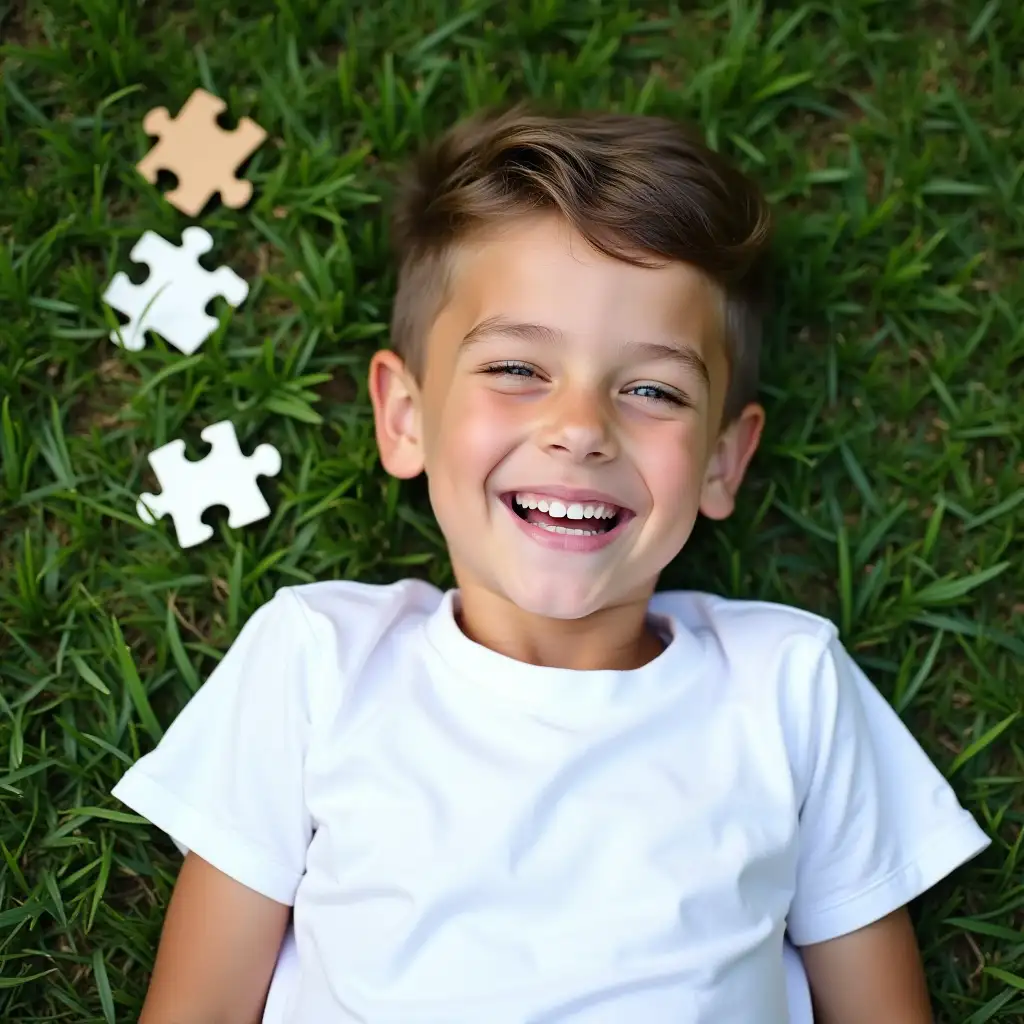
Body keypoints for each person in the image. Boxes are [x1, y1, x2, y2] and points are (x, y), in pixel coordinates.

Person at [112, 102, 990, 1024]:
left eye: (652, 389)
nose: (579, 429)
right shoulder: (318, 659)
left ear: (724, 460)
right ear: (406, 416)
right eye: (517, 370)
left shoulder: (789, 685)